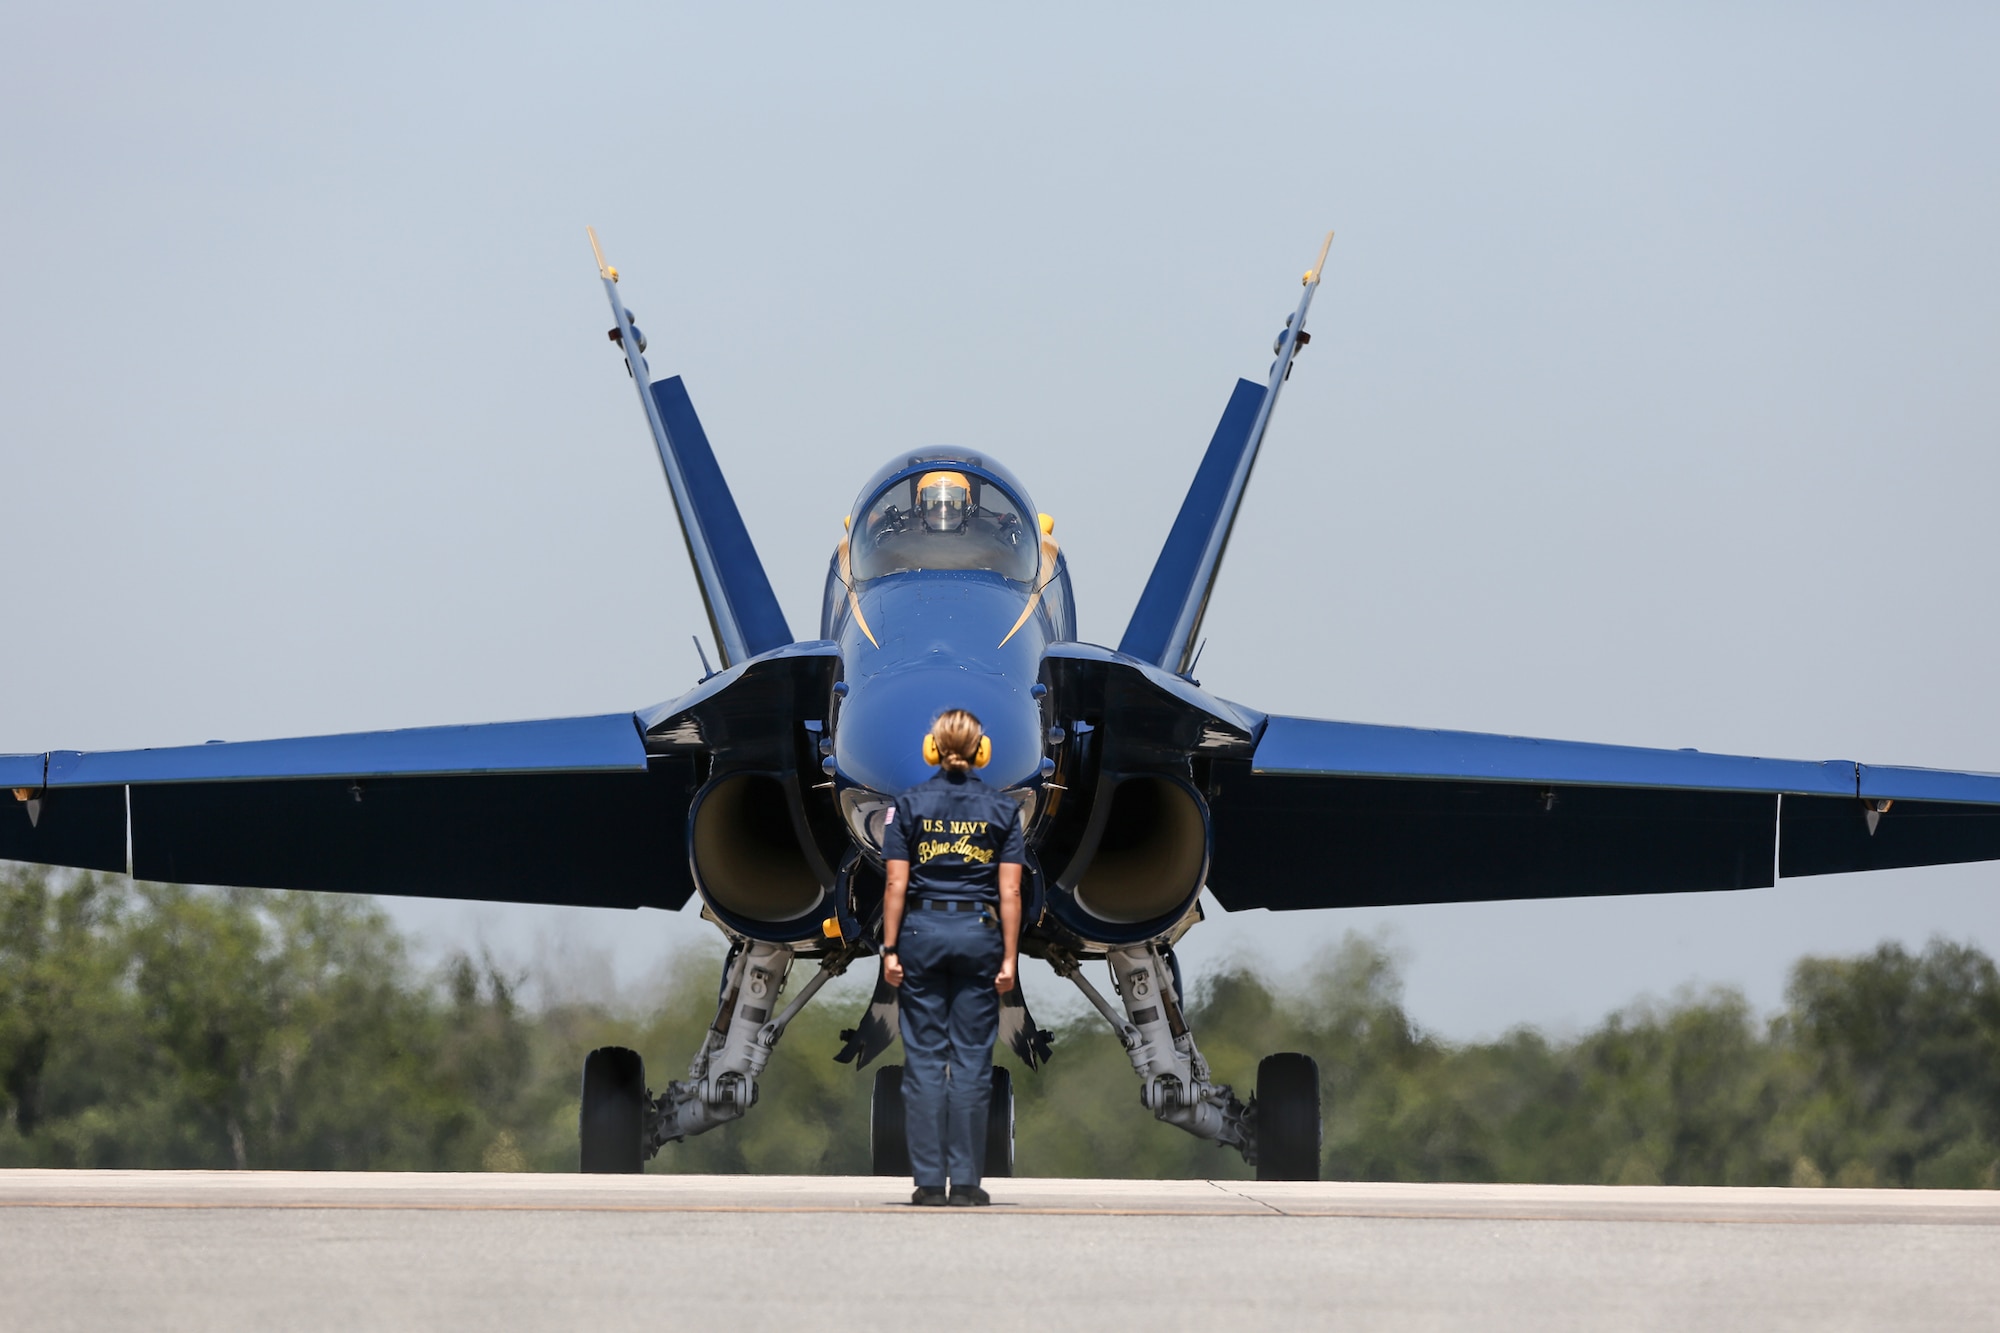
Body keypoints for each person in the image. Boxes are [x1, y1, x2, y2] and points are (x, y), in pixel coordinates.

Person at [879, 708, 1025, 1207]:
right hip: (978, 936)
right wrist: (1010, 958)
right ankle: (965, 1183)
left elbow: (895, 883)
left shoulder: (908, 807)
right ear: (982, 751)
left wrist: (890, 947)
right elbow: (1011, 893)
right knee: (971, 1063)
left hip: (920, 933)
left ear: (932, 749)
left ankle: (926, 1184)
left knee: (922, 1063)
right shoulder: (1003, 812)